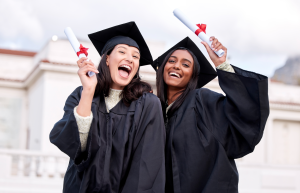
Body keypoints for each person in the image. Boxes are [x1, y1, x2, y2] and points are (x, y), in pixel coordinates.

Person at [50, 22, 165, 193]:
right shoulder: (80, 95)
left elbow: (147, 165)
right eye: (122, 52)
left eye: (135, 56)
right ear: (107, 58)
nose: (130, 58)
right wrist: (88, 91)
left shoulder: (147, 104)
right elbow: (75, 147)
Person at [153, 36, 269, 193]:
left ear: (193, 76)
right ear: (163, 67)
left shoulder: (202, 101)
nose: (177, 66)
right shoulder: (154, 111)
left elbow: (244, 114)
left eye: (186, 64)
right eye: (172, 61)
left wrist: (221, 65)